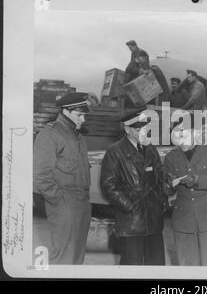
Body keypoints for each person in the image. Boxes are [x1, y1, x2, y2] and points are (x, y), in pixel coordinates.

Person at [100, 107, 167, 265]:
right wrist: (130, 207)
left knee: (156, 266)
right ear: (127, 129)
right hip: (131, 222)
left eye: (146, 128)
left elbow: (159, 180)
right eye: (140, 129)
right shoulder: (114, 152)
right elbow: (108, 186)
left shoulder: (151, 150)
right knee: (132, 265)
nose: (145, 132)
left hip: (153, 220)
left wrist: (160, 202)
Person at [33, 92, 92, 264]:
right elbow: (40, 176)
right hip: (64, 205)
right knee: (64, 258)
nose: (83, 120)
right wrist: (59, 201)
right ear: (66, 111)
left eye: (84, 115)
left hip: (82, 203)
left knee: (77, 257)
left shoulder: (79, 136)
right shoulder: (49, 134)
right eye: (79, 115)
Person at [164, 124, 207, 266]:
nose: (181, 142)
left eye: (184, 137)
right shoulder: (171, 158)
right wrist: (168, 185)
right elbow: (167, 191)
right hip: (183, 218)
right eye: (177, 138)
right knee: (187, 266)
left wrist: (197, 180)